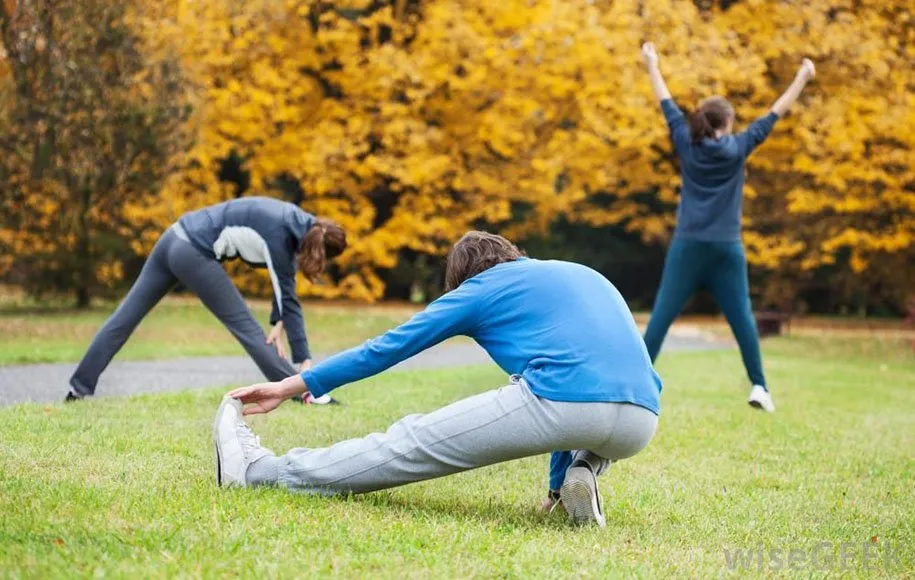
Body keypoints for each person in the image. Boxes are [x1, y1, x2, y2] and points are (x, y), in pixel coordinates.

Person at [212, 231, 662, 527]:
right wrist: (555, 483)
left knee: (409, 442)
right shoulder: (577, 274)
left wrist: (290, 385)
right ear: (513, 255)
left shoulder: (481, 288)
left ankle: (256, 472)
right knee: (576, 399)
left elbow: (385, 348)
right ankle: (579, 475)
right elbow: (593, 366)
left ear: (464, 280)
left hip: (566, 401)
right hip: (641, 420)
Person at [639, 42, 816, 413]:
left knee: (662, 317)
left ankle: (636, 382)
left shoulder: (687, 142)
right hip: (726, 247)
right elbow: (776, 111)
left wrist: (653, 63)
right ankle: (759, 387)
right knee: (742, 319)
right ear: (728, 123)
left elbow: (665, 102)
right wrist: (801, 76)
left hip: (688, 245)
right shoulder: (739, 147)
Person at [67, 196, 347, 403]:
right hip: (194, 252)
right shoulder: (281, 237)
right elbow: (288, 294)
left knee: (124, 318)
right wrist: (305, 362)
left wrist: (278, 320)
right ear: (319, 251)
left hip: (173, 237)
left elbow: (282, 281)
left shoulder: (293, 219)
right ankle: (306, 394)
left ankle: (77, 389)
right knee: (248, 329)